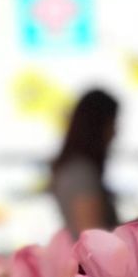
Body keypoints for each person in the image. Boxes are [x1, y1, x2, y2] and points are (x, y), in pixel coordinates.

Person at [50, 89, 120, 238]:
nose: (115, 132)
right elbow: (93, 234)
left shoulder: (74, 169)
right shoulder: (80, 173)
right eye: (112, 123)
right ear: (97, 126)